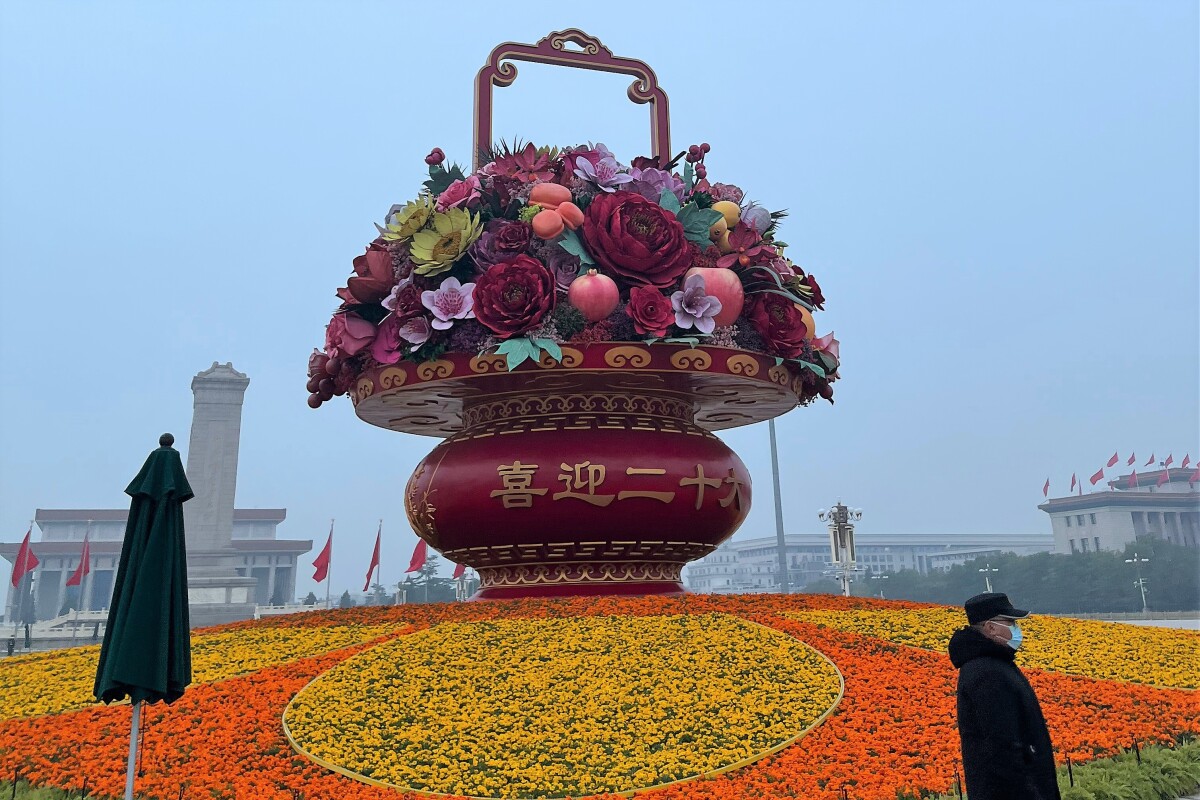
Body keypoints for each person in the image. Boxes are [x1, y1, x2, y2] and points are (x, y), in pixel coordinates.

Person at [948, 592, 1061, 800]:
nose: (1017, 629)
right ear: (991, 628)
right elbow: (1003, 748)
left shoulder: (995, 663)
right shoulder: (987, 673)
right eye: (1011, 623)